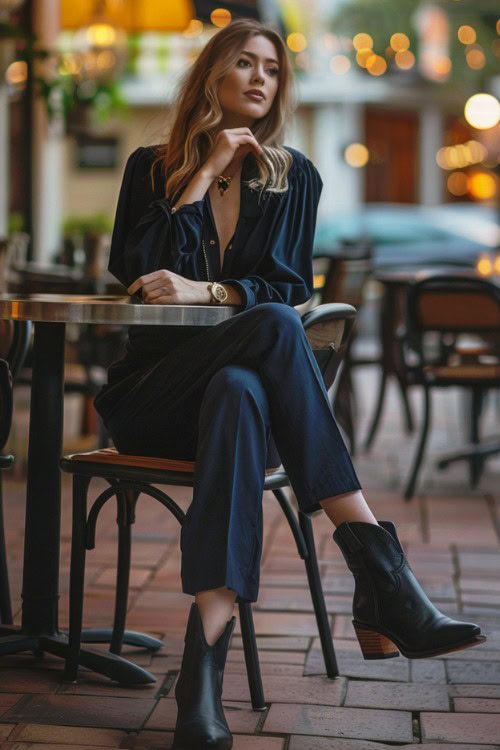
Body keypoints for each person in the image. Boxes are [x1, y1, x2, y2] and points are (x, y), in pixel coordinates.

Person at [94, 17, 486, 750]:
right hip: (151, 396)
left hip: (227, 395)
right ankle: (379, 573)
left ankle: (201, 680)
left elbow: (287, 281)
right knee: (272, 325)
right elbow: (138, 272)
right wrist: (204, 172)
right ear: (211, 75)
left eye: (271, 69)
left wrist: (209, 292)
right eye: (242, 63)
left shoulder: (292, 175)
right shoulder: (151, 167)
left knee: (242, 392)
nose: (258, 79)